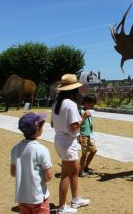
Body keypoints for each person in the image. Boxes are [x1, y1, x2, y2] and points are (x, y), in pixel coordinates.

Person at [51, 74, 91, 214]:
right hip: (68, 141)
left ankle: (75, 199)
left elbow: (52, 124)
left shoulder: (56, 103)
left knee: (74, 170)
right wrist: (84, 117)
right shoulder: (71, 104)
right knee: (66, 174)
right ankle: (62, 207)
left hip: (60, 139)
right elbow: (74, 126)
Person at [10, 112, 53, 214]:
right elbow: (49, 176)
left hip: (23, 197)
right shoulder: (42, 150)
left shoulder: (15, 149)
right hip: (39, 197)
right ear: (38, 129)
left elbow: (13, 173)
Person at [78, 95, 97, 177]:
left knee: (93, 150)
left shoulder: (88, 111)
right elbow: (78, 123)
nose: (92, 106)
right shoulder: (80, 111)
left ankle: (85, 167)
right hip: (83, 135)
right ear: (86, 103)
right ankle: (81, 171)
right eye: (91, 105)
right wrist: (79, 135)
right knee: (84, 154)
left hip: (88, 135)